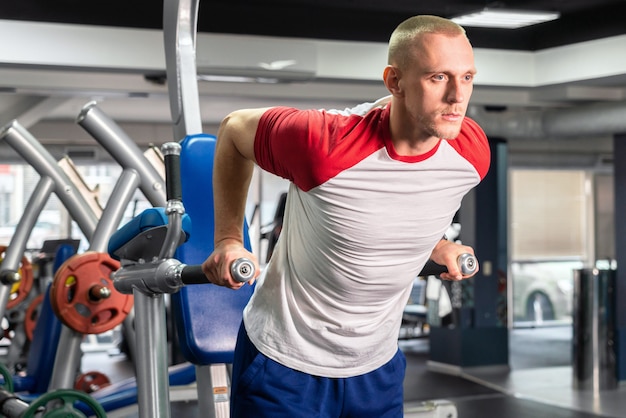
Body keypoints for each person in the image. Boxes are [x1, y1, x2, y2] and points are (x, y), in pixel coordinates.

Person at [201, 14, 491, 418]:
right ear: (394, 82)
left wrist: (436, 244)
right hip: (285, 362)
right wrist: (228, 239)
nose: (458, 96)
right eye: (438, 78)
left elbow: (403, 199)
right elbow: (233, 130)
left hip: (377, 366)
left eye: (468, 77)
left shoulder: (470, 153)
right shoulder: (324, 143)